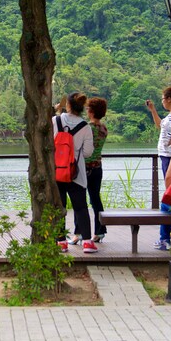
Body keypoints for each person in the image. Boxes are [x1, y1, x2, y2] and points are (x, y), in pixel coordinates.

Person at [54, 92, 97, 253]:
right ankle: (87, 242)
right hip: (75, 172)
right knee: (80, 207)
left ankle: (60, 242)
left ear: (68, 105)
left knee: (59, 207)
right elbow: (87, 152)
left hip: (57, 170)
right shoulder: (85, 127)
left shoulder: (55, 120)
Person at [145, 86, 171, 180]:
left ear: (169, 99)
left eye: (163, 99)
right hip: (166, 153)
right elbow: (159, 126)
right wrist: (153, 110)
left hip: (170, 154)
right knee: (170, 181)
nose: (162, 101)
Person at [83, 97, 109, 243]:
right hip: (98, 168)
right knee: (95, 199)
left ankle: (80, 231)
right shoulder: (103, 128)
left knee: (80, 200)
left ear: (91, 111)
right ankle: (100, 230)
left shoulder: (88, 128)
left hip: (85, 168)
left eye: (87, 109)